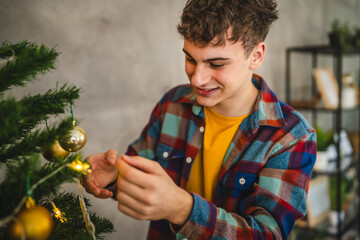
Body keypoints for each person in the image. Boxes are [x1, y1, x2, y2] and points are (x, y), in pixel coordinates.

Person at [83, 0, 317, 239]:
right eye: (191, 59)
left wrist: (182, 208)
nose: (197, 80)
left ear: (256, 56)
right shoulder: (172, 103)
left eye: (216, 64)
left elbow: (269, 234)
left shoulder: (291, 135)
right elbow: (141, 183)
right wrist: (113, 178)